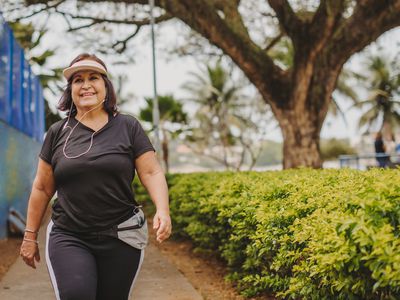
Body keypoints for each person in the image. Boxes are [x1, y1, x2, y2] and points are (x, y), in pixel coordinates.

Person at [19, 53, 172, 300]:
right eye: (78, 80)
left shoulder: (128, 127)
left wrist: (163, 210)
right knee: (77, 294)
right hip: (70, 234)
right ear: (71, 90)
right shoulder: (58, 132)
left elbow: (151, 171)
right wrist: (29, 236)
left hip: (122, 234)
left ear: (105, 87)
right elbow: (42, 188)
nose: (86, 85)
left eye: (94, 78)